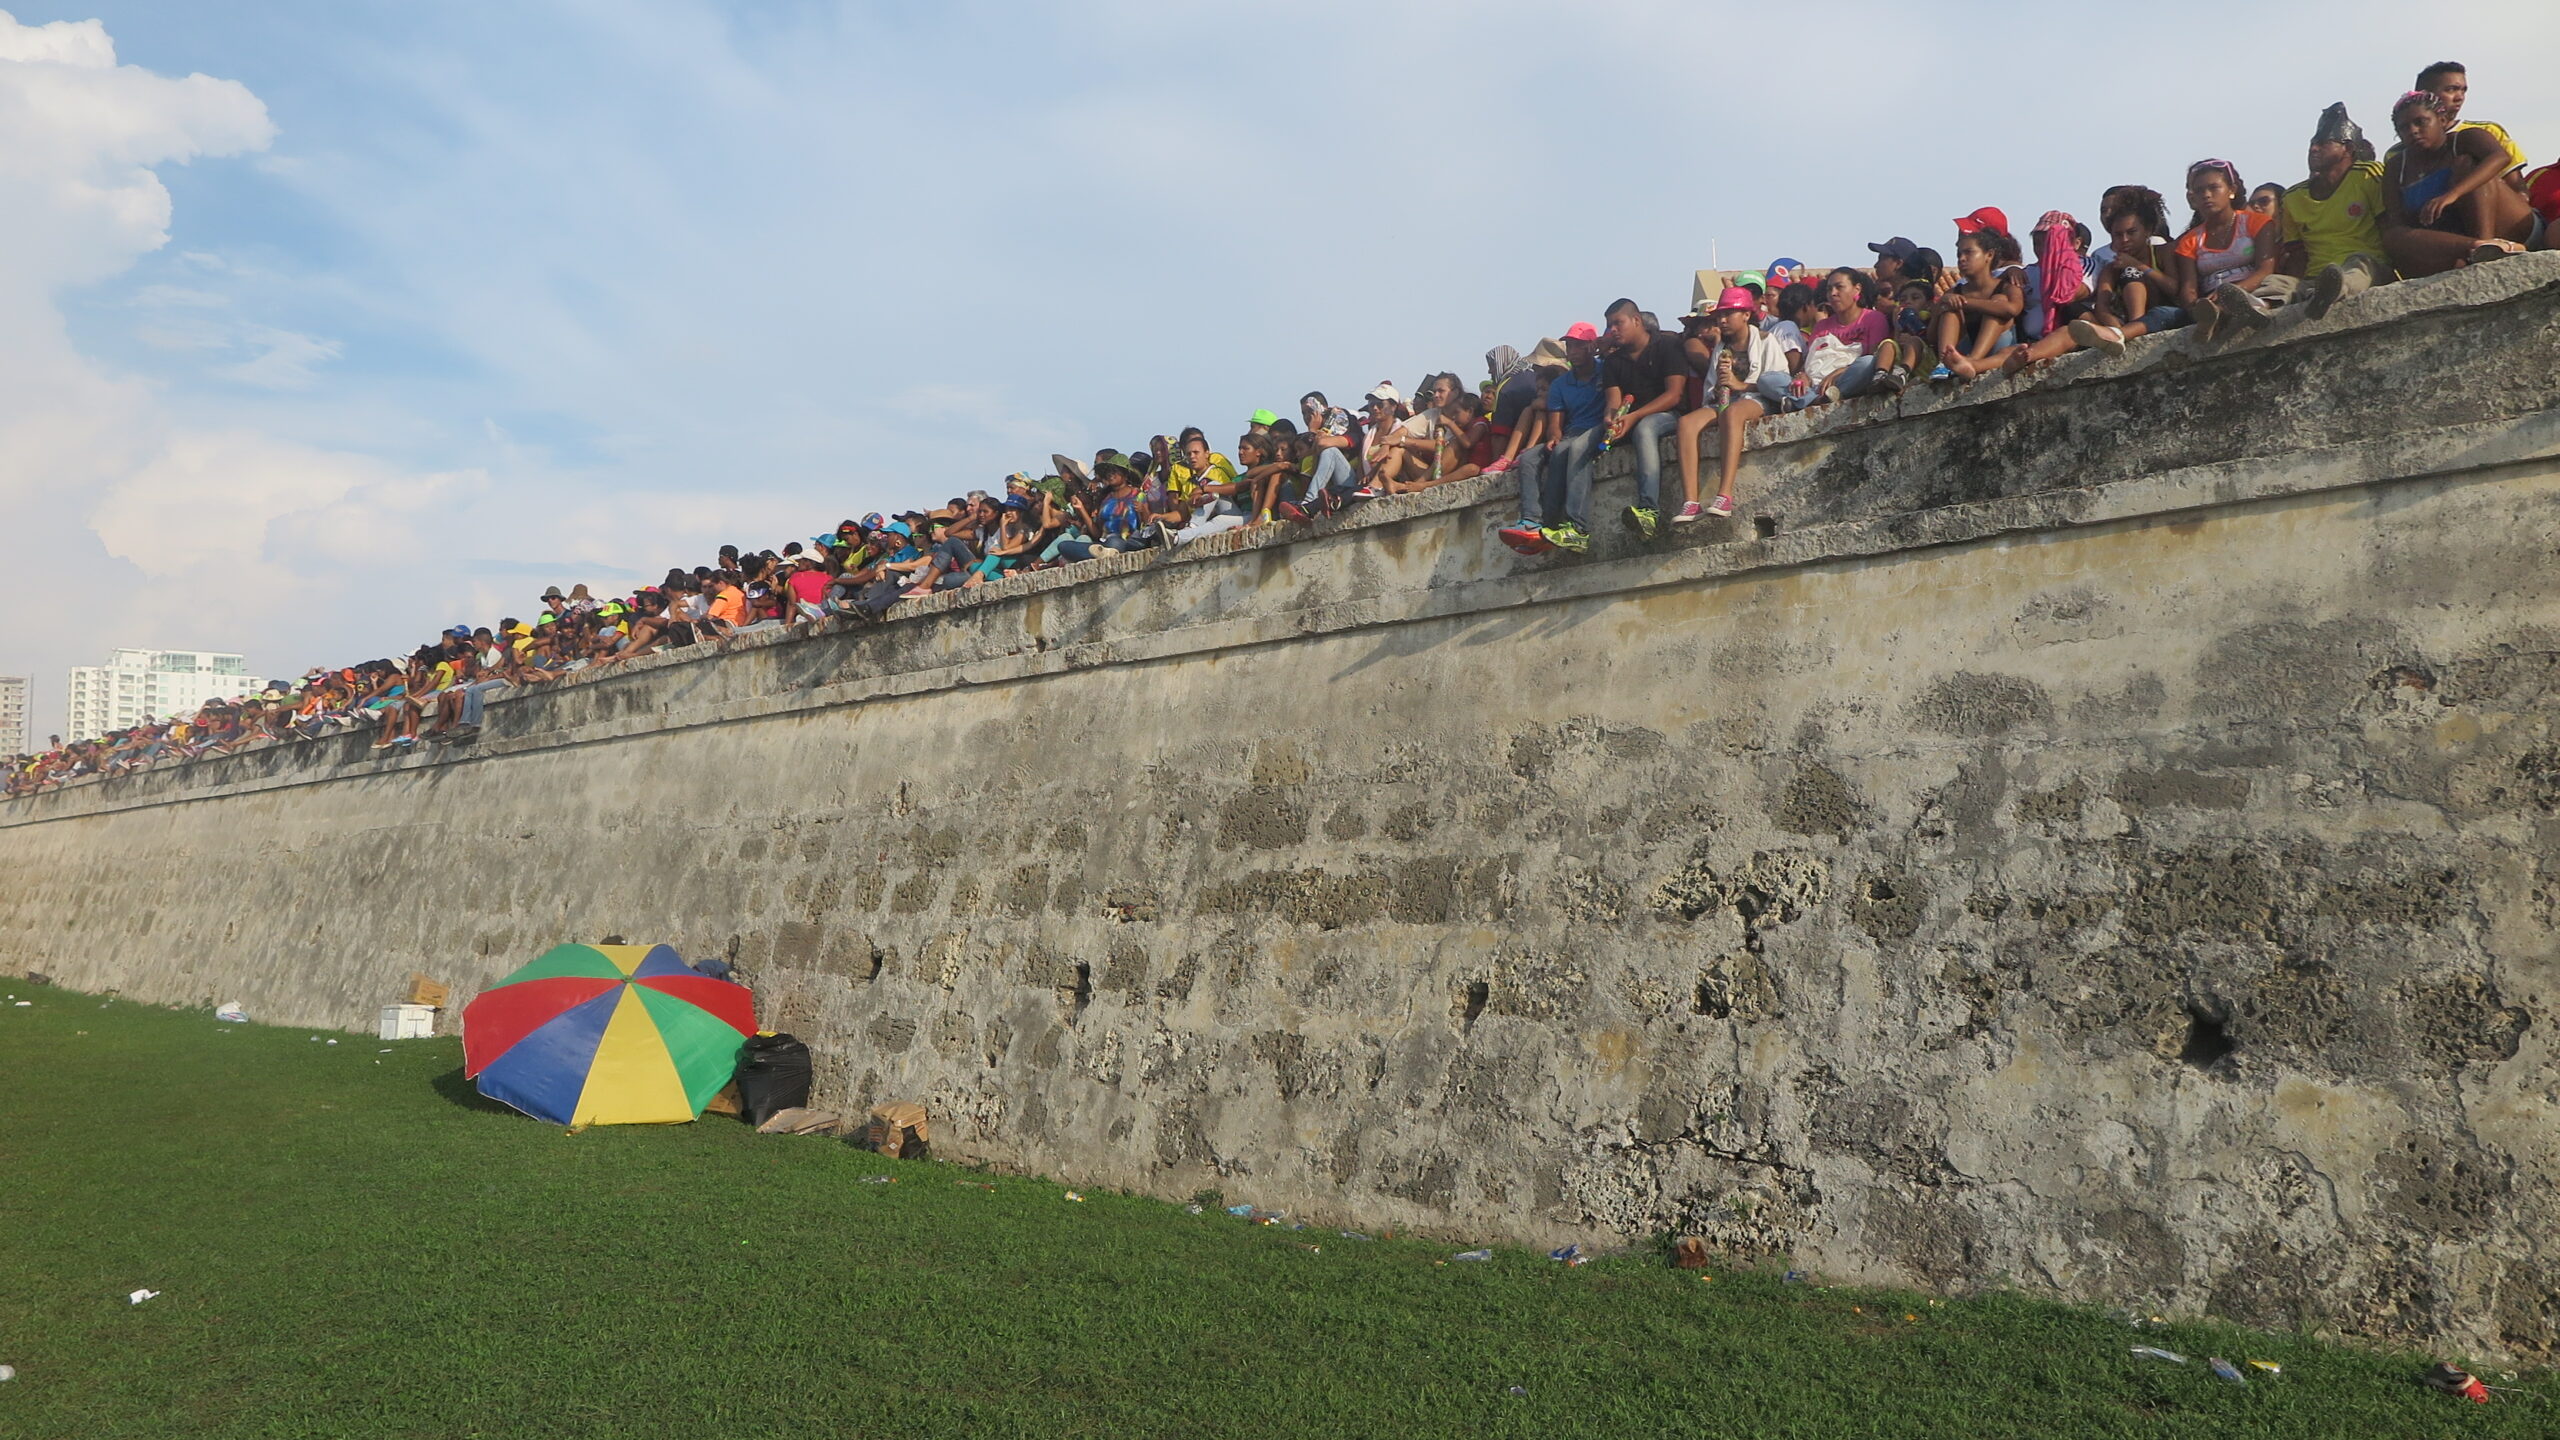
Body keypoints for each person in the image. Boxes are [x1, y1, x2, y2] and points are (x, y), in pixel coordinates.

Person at [2379, 89, 2539, 275]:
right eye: (2404, 128)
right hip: (2455, 241)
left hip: (2510, 226)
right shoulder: (2396, 167)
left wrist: (2452, 195)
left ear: (2442, 120)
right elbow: (2397, 220)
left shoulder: (2466, 139)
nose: (2413, 131)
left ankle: (2486, 245)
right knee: (2392, 235)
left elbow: (2500, 157)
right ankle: (2481, 248)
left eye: (2420, 122)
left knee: (2468, 165)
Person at [1671, 287, 1795, 522]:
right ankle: (1691, 501)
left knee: (1732, 414)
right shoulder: (1721, 348)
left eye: (1729, 314)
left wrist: (1741, 386)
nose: (1723, 320)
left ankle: (1725, 494)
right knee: (1686, 424)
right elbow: (1711, 388)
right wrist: (1719, 387)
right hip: (1725, 400)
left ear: (1746, 315)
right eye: (1720, 316)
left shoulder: (1766, 341)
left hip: (1757, 399)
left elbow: (1778, 383)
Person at [2274, 103, 2396, 318]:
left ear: (2347, 149)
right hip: (2316, 277)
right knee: (2278, 282)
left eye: (2323, 143)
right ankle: (2260, 306)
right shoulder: (2293, 197)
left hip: (2369, 265)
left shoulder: (2367, 175)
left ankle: (2333, 291)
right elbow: (2297, 255)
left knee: (2359, 264)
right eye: (2312, 144)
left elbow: (2389, 226)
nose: (2313, 149)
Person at [1498, 323, 1606, 554]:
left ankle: (1569, 526)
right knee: (1528, 458)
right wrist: (1554, 436)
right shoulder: (1560, 385)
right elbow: (1556, 423)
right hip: (1572, 431)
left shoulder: (1605, 370)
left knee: (1568, 450)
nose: (1573, 350)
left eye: (1579, 345)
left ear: (1591, 346)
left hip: (1599, 427)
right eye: (1570, 345)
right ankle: (1531, 521)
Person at [1599, 298, 1690, 537]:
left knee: (1645, 428)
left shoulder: (1667, 346)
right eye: (1610, 326)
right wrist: (1611, 419)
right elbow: (1613, 402)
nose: (1613, 330)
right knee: (1576, 447)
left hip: (1669, 416)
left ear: (1637, 320)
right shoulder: (1613, 362)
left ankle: (1649, 510)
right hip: (1629, 419)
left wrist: (1635, 416)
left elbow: (1674, 394)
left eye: (1618, 323)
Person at [2173, 160, 2281, 340]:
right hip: (2211, 298)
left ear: (2231, 190)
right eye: (2199, 191)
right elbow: (2188, 287)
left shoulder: (2258, 223)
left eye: (2214, 188)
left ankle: (2233, 311)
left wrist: (2233, 293)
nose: (2207, 195)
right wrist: (2196, 305)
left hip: (2253, 289)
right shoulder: (2189, 240)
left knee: (2280, 283)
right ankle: (2211, 316)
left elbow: (2265, 269)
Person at [1930, 222, 2027, 379]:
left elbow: (2012, 309)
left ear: (1989, 255)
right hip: (1961, 352)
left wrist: (1967, 302)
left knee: (1998, 301)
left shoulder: (2007, 287)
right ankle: (1944, 364)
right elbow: (1931, 336)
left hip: (2000, 349)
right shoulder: (1955, 291)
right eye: (1959, 254)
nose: (1962, 259)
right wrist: (1942, 305)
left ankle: (1973, 361)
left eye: (1968, 253)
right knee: (1950, 310)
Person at [1804, 268, 1890, 403]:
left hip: (1848, 378)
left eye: (1839, 287)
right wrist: (1801, 376)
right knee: (1769, 379)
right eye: (1829, 289)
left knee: (1867, 363)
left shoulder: (1874, 318)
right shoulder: (1821, 326)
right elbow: (1810, 363)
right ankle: (1815, 399)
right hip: (1816, 383)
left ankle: (1817, 398)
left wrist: (1840, 372)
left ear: (1857, 289)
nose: (1833, 293)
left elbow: (1875, 357)